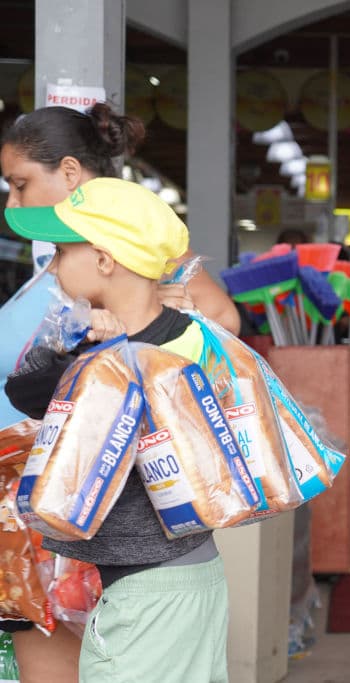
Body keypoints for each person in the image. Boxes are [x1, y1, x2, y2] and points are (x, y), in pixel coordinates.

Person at [0, 103, 238, 681]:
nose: (54, 269)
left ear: (105, 260)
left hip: (149, 587)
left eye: (63, 253)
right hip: (166, 579)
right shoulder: (113, 345)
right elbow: (28, 389)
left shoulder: (138, 361)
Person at [2, 103, 241, 335]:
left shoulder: (133, 229)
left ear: (69, 172)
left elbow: (224, 319)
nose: (12, 202)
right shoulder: (65, 244)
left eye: (21, 185)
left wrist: (142, 307)